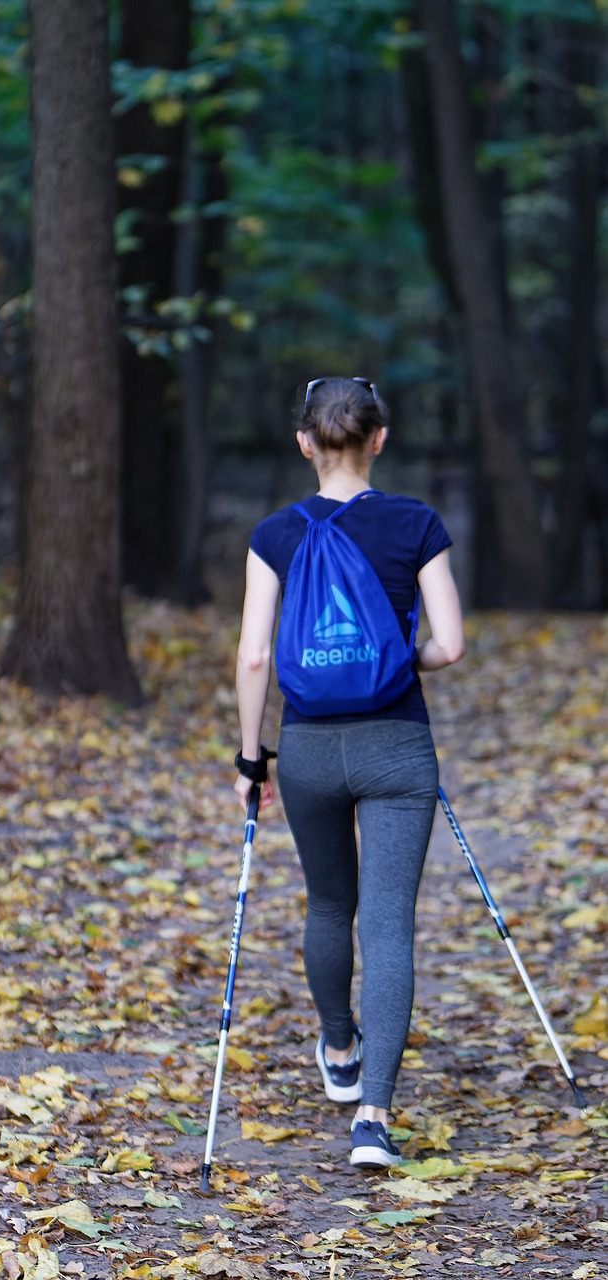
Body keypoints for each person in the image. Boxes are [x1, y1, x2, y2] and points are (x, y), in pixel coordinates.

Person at [233, 376, 465, 1170]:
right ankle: (373, 1118)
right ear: (378, 439)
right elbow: (449, 646)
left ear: (304, 442)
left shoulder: (274, 534)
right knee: (388, 922)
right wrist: (394, 661)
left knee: (330, 902)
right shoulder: (415, 523)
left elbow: (255, 655)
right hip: (396, 744)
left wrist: (250, 756)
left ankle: (338, 1049)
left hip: (306, 748)